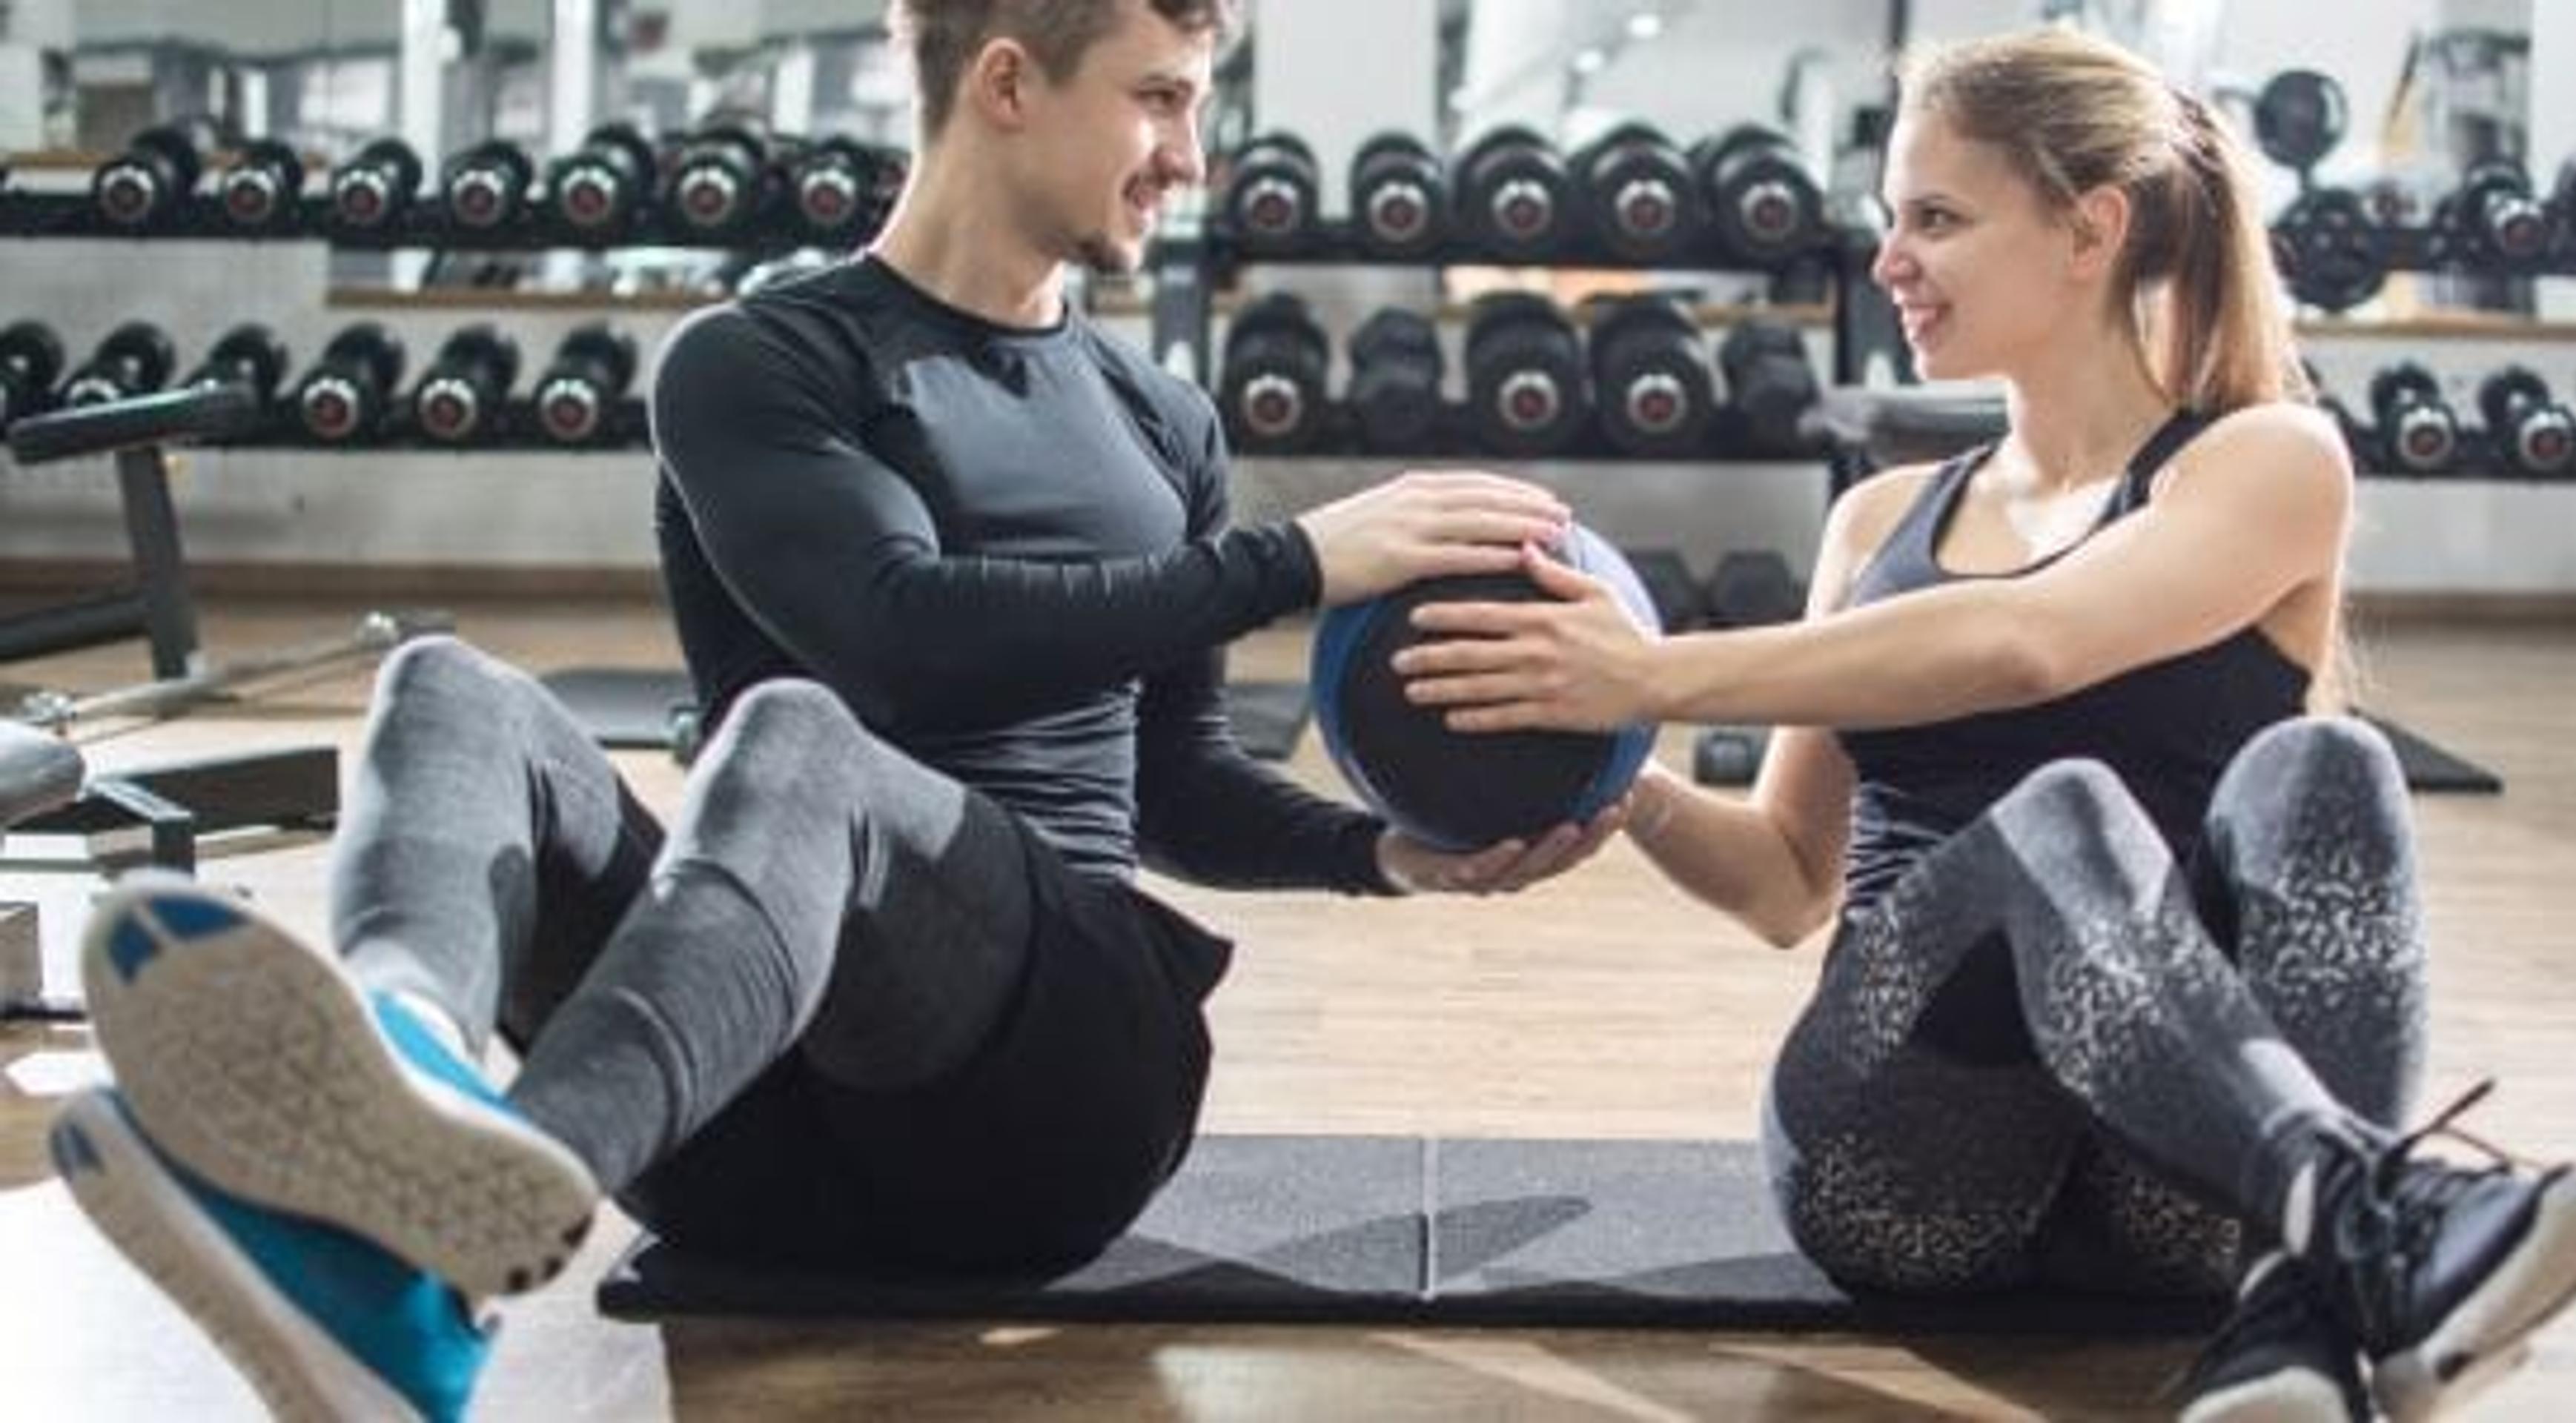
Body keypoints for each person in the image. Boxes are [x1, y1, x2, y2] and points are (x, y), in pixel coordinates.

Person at [49, 2, 1621, 1419]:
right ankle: (409, 1082)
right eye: (1157, 101)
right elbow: (898, 643)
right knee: (447, 691)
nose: (1187, 159)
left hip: (1054, 1097)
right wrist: (1286, 562)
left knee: (794, 745)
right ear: (1008, 81)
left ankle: (445, 1228)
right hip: (746, 1120)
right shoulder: (760, 364)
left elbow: (1172, 783)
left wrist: (1378, 856)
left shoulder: (1161, 417)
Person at [1396, 28, 2576, 1423]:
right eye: (1887, 221)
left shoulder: (2267, 461)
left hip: (2179, 1181)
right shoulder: (1877, 519)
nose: (1888, 260)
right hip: (1907, 1161)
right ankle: (2365, 1229)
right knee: (2057, 822)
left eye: (1936, 218)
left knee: (2329, 763)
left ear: (2088, 230)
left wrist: (1650, 672)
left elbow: (2030, 641)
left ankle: (2291, 1313)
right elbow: (1786, 888)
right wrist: (1615, 771)